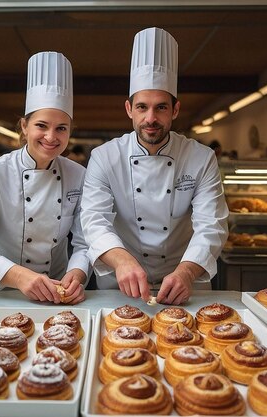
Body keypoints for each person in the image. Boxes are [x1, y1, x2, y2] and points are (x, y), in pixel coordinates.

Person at [80, 27, 229, 305]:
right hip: (120, 282)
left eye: (161, 107)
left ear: (175, 110)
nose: (151, 118)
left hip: (185, 278)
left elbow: (212, 224)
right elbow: (93, 220)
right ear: (129, 109)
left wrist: (186, 272)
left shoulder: (201, 157)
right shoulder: (104, 156)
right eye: (142, 107)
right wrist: (121, 260)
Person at [0, 51, 89, 304]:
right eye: (41, 125)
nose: (51, 137)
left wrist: (77, 273)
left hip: (53, 292)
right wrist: (20, 277)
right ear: (24, 126)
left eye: (61, 128)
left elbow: (85, 242)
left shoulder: (79, 175)